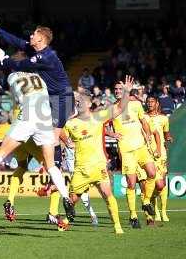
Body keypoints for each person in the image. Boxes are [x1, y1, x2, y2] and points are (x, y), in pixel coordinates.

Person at [0, 71, 75, 220]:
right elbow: (57, 120)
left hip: (22, 127)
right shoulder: (43, 79)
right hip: (40, 125)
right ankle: (58, 207)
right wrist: (66, 140)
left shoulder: (13, 78)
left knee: (15, 163)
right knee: (52, 167)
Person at [0, 19, 74, 192]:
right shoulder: (36, 50)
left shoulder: (45, 57)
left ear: (41, 39)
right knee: (47, 137)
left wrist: (3, 59)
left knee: (53, 138)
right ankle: (56, 169)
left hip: (61, 99)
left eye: (34, 34)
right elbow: (16, 41)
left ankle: (55, 176)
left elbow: (19, 65)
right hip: (48, 98)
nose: (31, 35)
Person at [63, 76, 135, 234]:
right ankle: (66, 220)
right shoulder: (70, 123)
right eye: (77, 102)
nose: (78, 103)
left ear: (89, 103)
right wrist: (67, 142)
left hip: (99, 167)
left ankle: (117, 226)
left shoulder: (98, 117)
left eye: (81, 101)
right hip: (81, 169)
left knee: (108, 195)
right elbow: (58, 134)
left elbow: (119, 109)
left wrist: (127, 92)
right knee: (71, 200)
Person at [112, 82, 157, 228]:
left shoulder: (136, 104)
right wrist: (110, 133)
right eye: (116, 89)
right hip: (126, 150)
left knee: (152, 173)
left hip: (141, 147)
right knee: (131, 183)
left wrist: (148, 134)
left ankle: (146, 201)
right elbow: (99, 126)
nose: (117, 91)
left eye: (120, 89)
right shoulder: (113, 109)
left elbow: (144, 121)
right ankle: (133, 215)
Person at [145, 95, 173, 222]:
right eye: (148, 102)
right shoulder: (143, 117)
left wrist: (168, 138)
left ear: (157, 103)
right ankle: (155, 211)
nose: (150, 104)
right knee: (153, 183)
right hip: (147, 154)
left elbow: (167, 133)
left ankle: (164, 211)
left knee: (161, 184)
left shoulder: (164, 118)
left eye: (152, 102)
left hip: (161, 154)